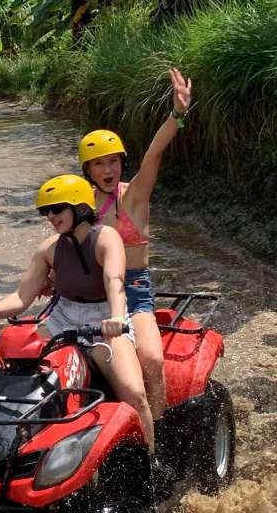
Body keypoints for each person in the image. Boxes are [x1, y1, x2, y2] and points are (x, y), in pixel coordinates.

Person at [0, 174, 157, 451]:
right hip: (62, 319)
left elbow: (114, 281)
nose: (50, 216)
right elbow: (21, 297)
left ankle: (150, 459)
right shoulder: (49, 249)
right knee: (9, 365)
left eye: (57, 209)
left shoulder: (106, 238)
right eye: (46, 211)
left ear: (80, 208)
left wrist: (116, 318)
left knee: (135, 394)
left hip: (103, 321)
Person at [77, 67, 192, 421]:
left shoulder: (135, 196)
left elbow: (155, 152)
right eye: (99, 164)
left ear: (121, 163)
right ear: (89, 171)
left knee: (153, 361)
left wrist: (178, 112)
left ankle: (157, 436)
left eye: (113, 161)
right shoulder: (81, 205)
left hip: (136, 289)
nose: (108, 169)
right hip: (95, 292)